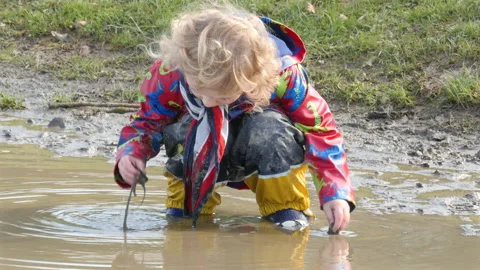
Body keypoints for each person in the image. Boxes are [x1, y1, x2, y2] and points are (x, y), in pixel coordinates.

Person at [114, 3, 355, 232]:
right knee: (182, 131)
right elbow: (147, 123)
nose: (209, 102)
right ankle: (187, 214)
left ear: (253, 79)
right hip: (197, 146)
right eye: (199, 91)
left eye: (222, 96)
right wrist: (131, 155)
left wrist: (335, 194)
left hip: (264, 142)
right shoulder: (170, 72)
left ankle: (286, 211)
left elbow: (321, 131)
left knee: (273, 130)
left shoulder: (282, 74)